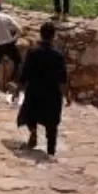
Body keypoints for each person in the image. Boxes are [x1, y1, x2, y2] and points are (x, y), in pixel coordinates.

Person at [17, 21, 71, 158]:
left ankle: (33, 132)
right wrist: (67, 96)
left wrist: (18, 89)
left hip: (34, 90)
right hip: (52, 94)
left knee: (29, 114)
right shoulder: (58, 56)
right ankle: (51, 151)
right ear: (53, 36)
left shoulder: (32, 52)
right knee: (52, 123)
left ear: (40, 34)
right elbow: (62, 80)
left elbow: (25, 73)